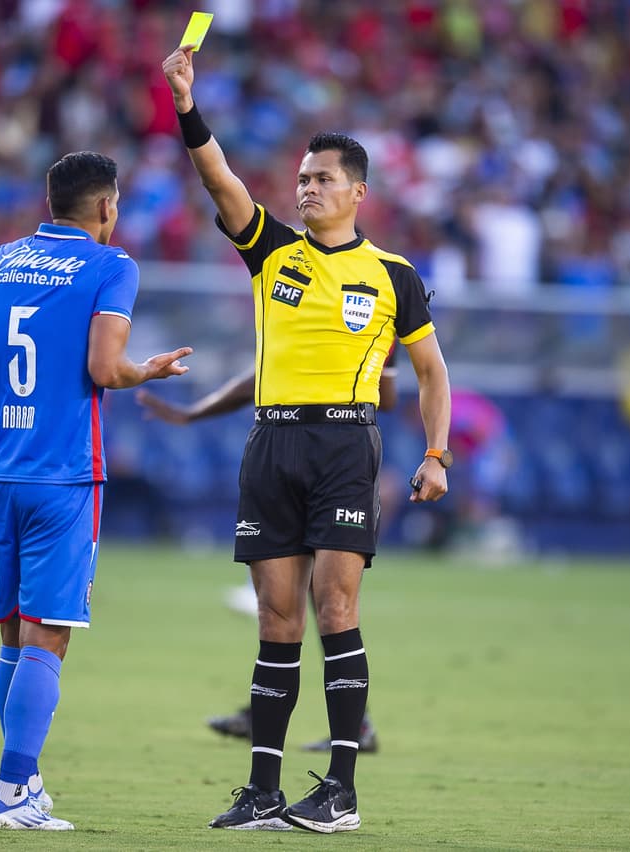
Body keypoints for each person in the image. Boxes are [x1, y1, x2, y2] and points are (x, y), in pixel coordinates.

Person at [162, 44, 453, 834]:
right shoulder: (272, 251)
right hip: (273, 445)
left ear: (358, 190)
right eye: (301, 178)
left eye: (322, 179)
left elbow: (431, 374)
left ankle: (341, 792)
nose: (307, 188)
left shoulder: (394, 275)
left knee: (336, 605)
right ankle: (262, 789)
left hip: (344, 447)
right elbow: (218, 178)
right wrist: (187, 104)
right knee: (276, 619)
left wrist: (435, 454)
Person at [0, 151, 192, 830]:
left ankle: (24, 783)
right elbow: (104, 368)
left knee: (12, 635)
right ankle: (13, 791)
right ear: (107, 207)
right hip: (62, 475)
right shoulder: (112, 266)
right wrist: (149, 370)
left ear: (50, 201)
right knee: (47, 636)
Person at [135, 359, 399, 755]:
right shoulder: (297, 309)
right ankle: (281, 716)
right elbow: (271, 371)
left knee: (328, 606)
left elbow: (388, 395)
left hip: (341, 452)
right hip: (292, 447)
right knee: (291, 605)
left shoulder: (378, 300)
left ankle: (342, 726)